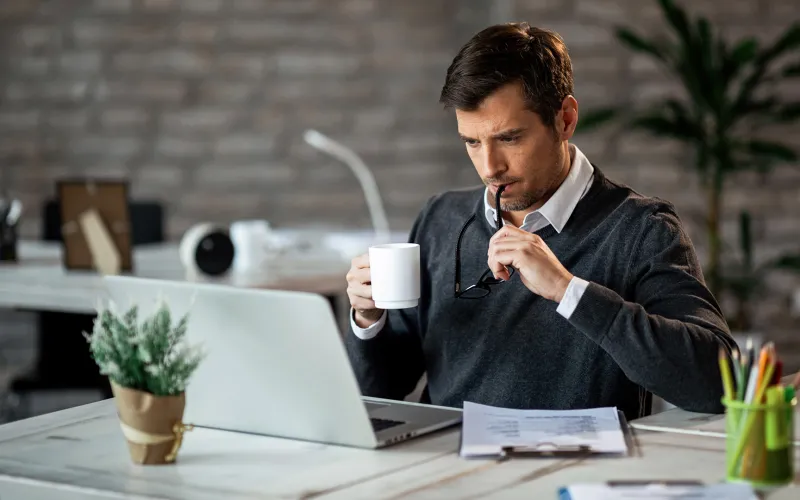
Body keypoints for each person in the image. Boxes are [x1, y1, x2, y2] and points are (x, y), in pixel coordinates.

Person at [343, 22, 735, 420]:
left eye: (510, 138)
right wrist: (368, 321)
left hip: (569, 474)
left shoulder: (641, 229)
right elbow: (381, 394)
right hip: (446, 468)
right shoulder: (441, 218)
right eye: (472, 142)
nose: (490, 167)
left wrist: (568, 291)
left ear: (564, 119)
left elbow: (719, 385)